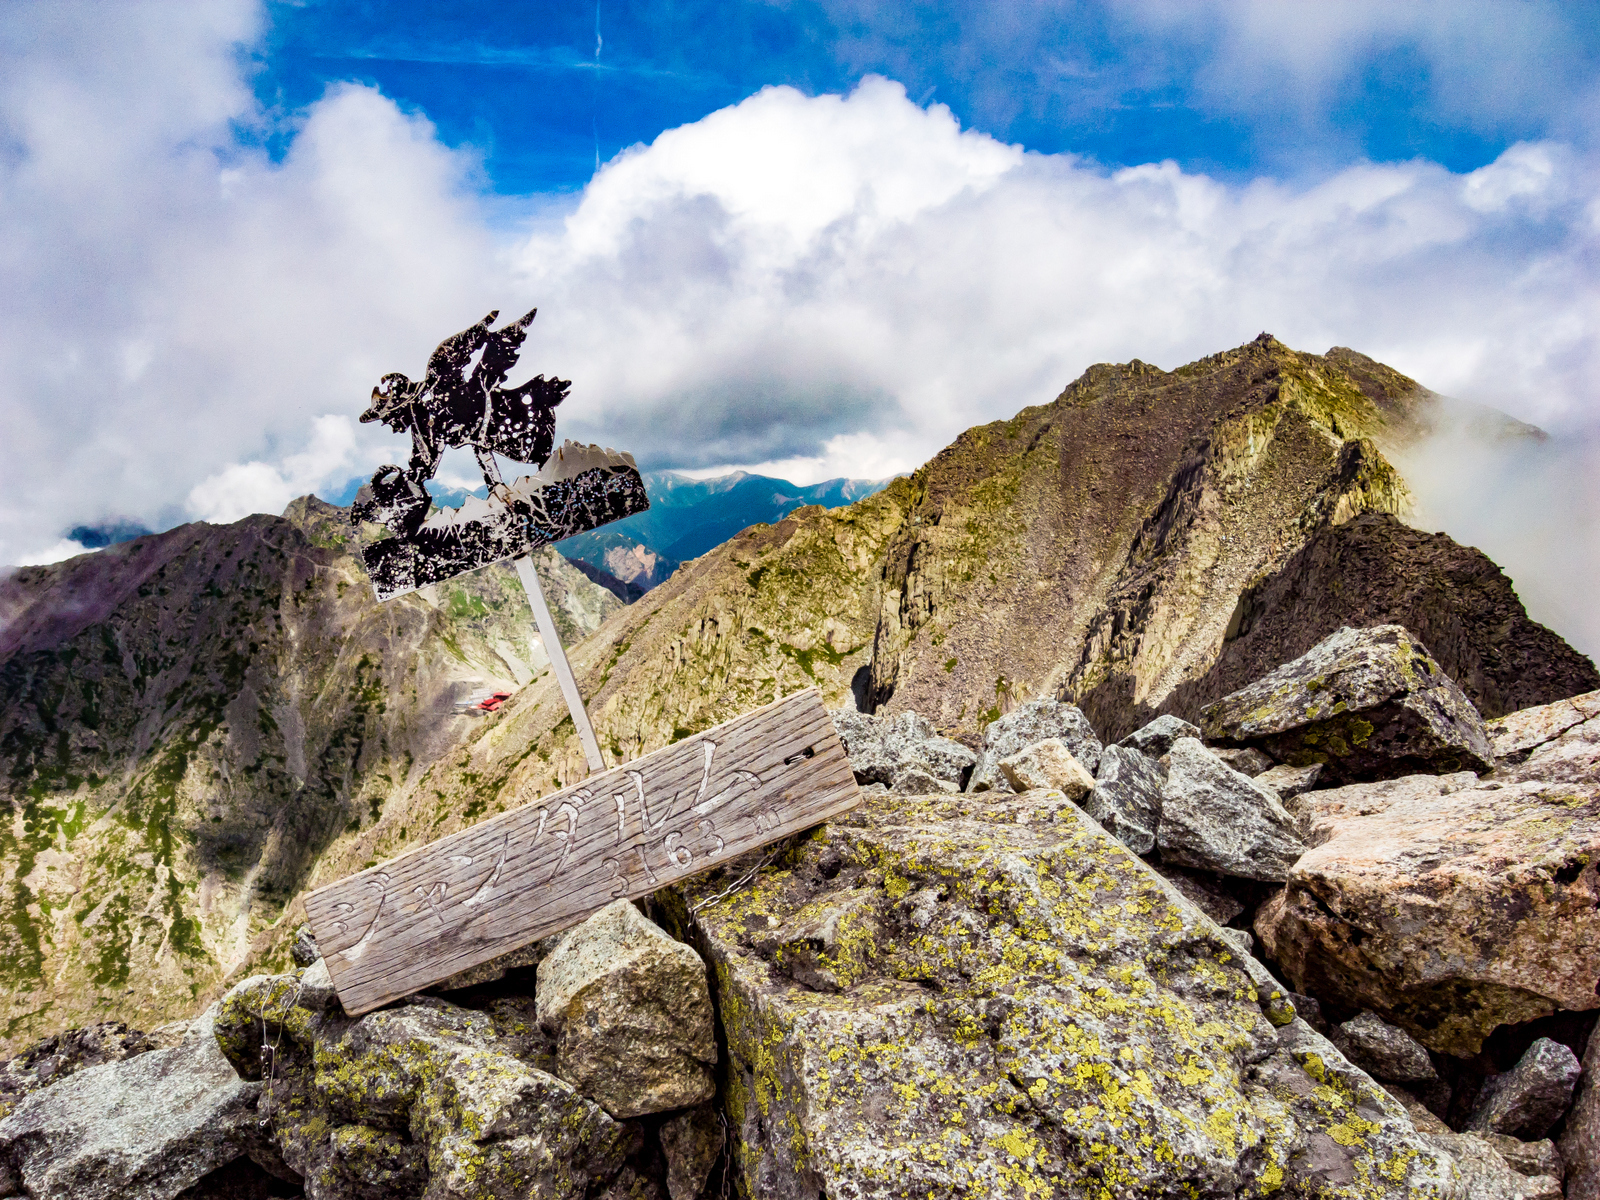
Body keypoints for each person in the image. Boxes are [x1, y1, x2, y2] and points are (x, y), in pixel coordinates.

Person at [354, 307, 570, 536]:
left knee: (532, 458)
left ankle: (551, 492)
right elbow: (421, 470)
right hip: (492, 440)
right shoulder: (426, 427)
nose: (390, 425)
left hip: (514, 421)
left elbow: (425, 467)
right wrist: (378, 504)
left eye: (389, 418)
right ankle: (514, 495)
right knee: (492, 449)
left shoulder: (439, 394)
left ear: (402, 407)